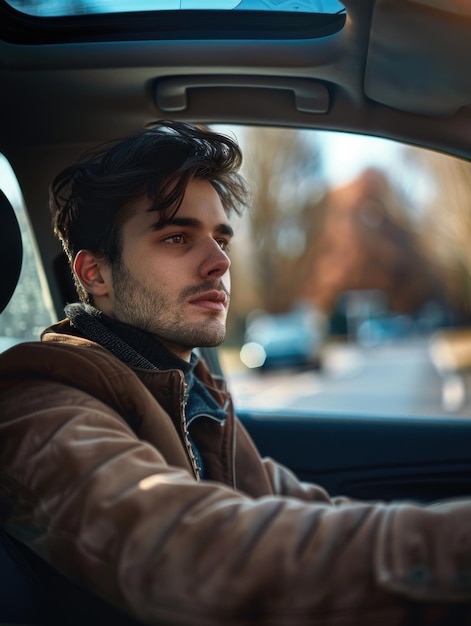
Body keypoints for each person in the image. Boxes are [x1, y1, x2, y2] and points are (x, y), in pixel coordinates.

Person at [1, 120, 471, 626]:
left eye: (221, 238)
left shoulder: (190, 392)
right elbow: (186, 548)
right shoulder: (39, 406)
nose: (219, 261)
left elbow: (302, 511)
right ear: (95, 274)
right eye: (177, 237)